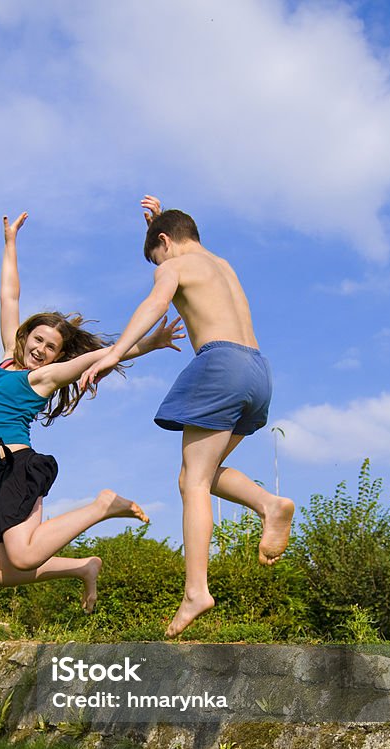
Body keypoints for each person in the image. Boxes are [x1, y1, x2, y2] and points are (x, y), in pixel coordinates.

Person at [81, 196, 294, 638]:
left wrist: (114, 354)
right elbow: (176, 239)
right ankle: (268, 504)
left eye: (157, 255)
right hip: (258, 371)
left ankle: (197, 590)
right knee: (204, 472)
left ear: (165, 243)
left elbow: (156, 302)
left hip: (221, 364)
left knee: (191, 482)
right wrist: (157, 222)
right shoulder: (221, 264)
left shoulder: (172, 266)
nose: (158, 266)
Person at [0, 210, 184, 612]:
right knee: (2, 574)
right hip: (0, 475)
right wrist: (11, 242)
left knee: (22, 556)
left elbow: (104, 354)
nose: (40, 349)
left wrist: (149, 343)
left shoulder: (43, 378)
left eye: (50, 347)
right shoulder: (6, 359)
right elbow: (9, 295)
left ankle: (102, 506)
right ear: (24, 337)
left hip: (18, 467)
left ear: (56, 356)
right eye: (37, 340)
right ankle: (85, 567)